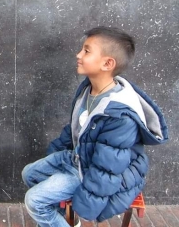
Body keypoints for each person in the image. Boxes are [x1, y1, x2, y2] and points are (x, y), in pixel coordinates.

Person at [21, 26, 169, 227]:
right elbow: (76, 129)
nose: (79, 55)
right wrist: (54, 155)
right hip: (79, 159)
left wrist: (86, 202)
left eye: (87, 51)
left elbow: (108, 167)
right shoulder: (89, 90)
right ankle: (57, 219)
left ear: (108, 63)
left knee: (34, 200)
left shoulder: (119, 114)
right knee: (30, 174)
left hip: (94, 172)